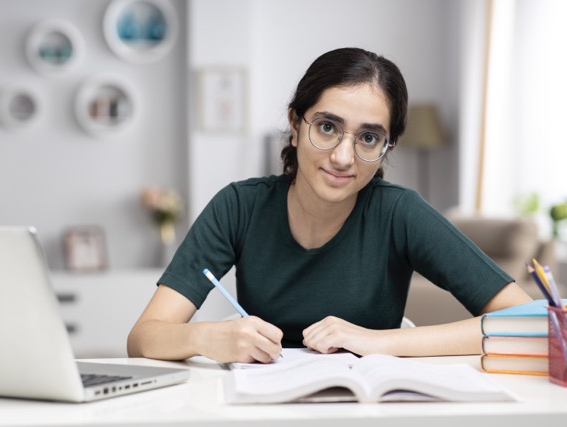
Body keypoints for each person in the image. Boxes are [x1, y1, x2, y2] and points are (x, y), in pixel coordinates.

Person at [127, 47, 532, 364]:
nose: (342, 156)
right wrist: (204, 337)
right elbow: (143, 338)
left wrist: (374, 341)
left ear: (388, 147)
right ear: (294, 124)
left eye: (368, 138)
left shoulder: (400, 213)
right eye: (327, 127)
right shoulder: (239, 206)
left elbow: (529, 322)